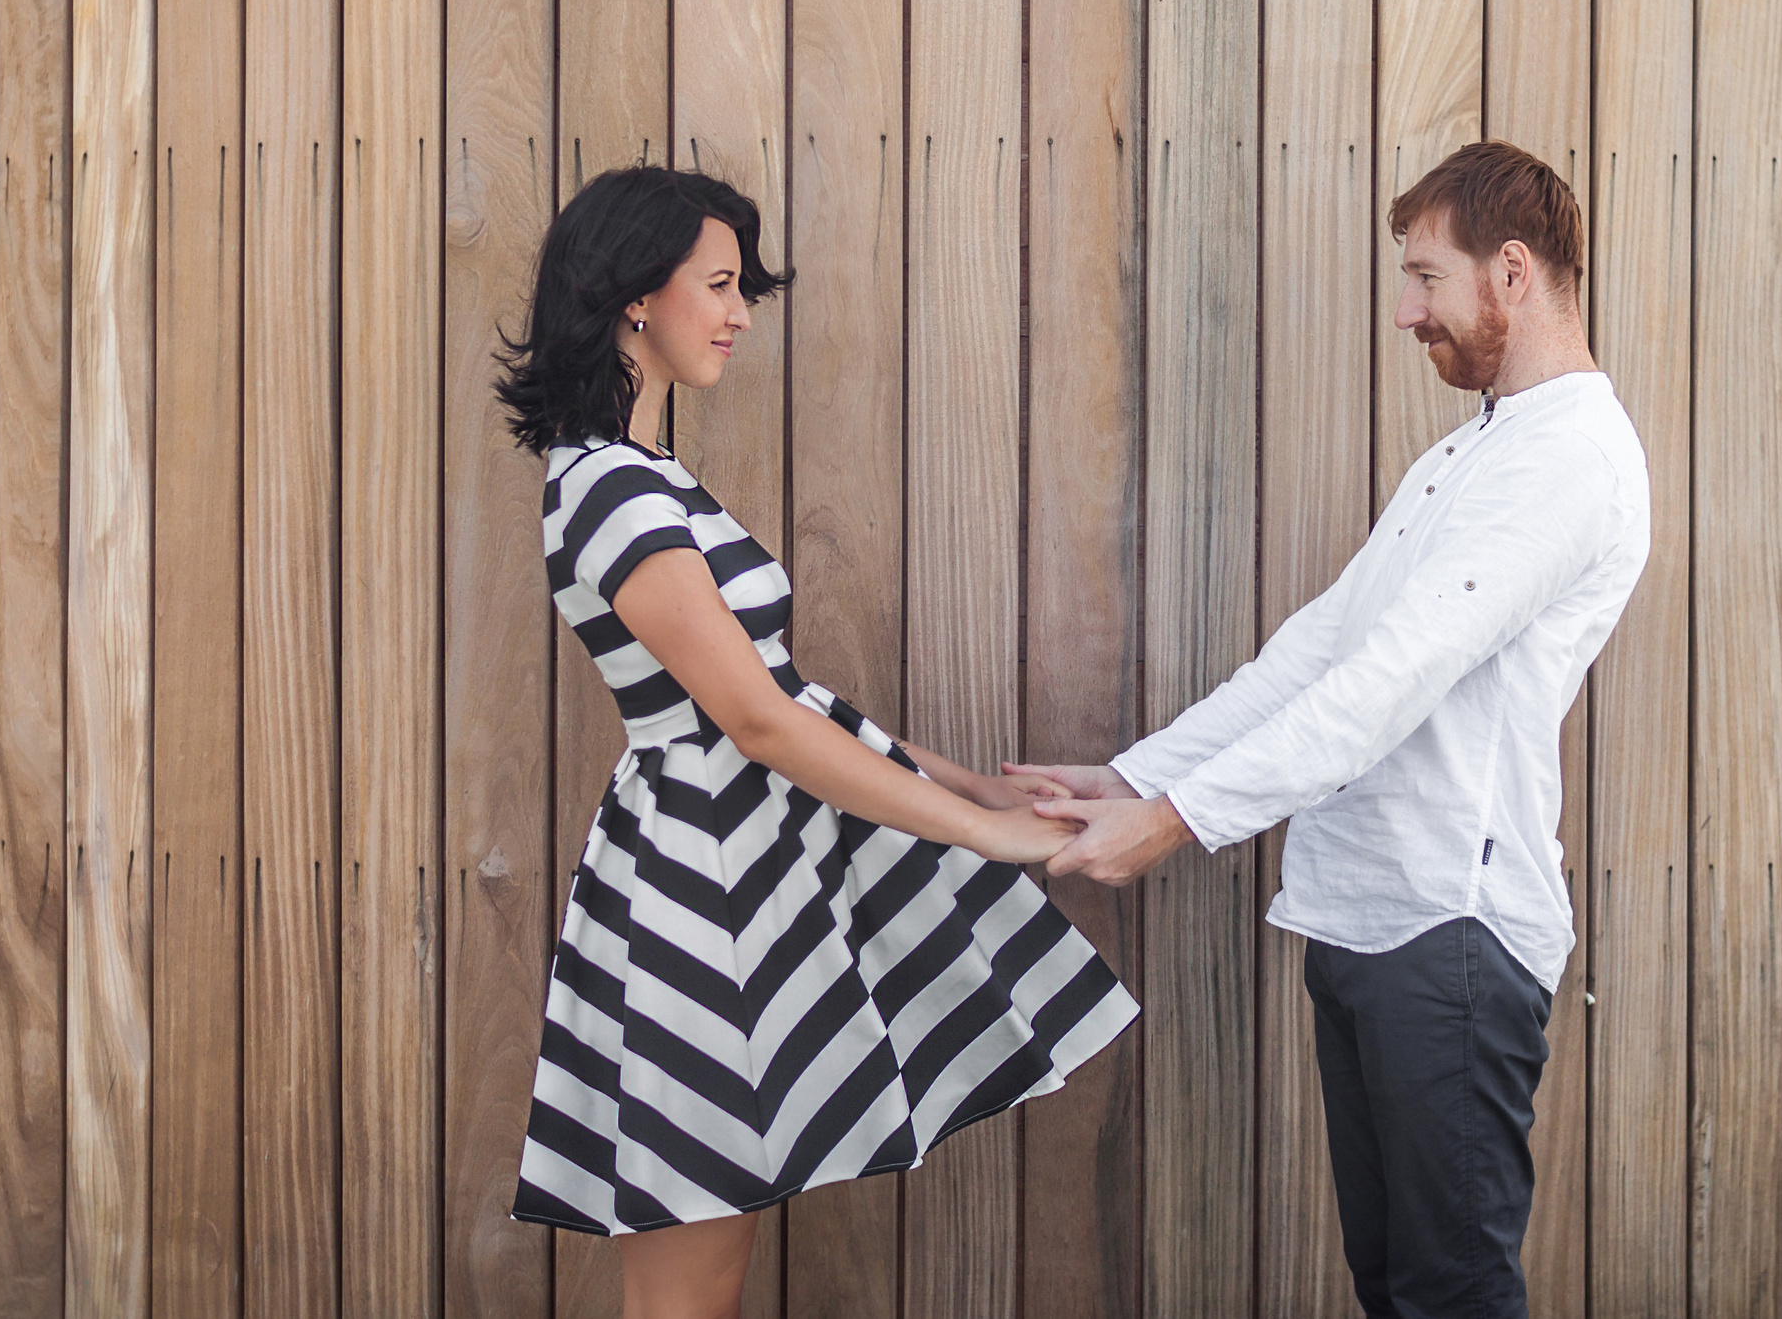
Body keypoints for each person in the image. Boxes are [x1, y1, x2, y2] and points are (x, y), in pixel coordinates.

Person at [1007, 141, 1650, 1319]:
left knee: (1450, 1293)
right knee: (1391, 1284)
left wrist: (1175, 820)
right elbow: (1318, 655)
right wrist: (1134, 778)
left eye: (1426, 277)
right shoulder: (1468, 454)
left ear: (1512, 272)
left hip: (1451, 933)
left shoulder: (1567, 460)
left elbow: (1393, 682)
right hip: (1365, 917)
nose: (1406, 312)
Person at [496, 165, 1138, 1319]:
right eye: (719, 285)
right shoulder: (612, 491)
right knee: (689, 1289)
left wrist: (974, 787)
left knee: (709, 1271)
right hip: (696, 887)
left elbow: (785, 694)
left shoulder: (643, 476)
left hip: (739, 874)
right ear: (635, 294)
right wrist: (983, 835)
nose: (740, 314)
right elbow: (753, 719)